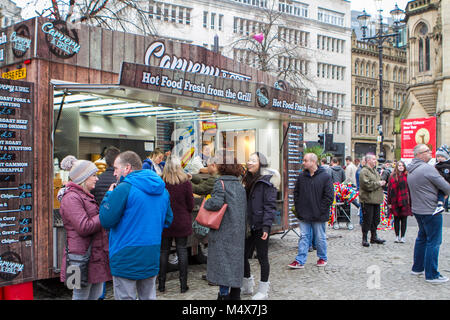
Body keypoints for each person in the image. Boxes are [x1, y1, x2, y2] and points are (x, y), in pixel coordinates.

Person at [99, 151, 173, 299]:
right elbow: (168, 220)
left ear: (127, 168)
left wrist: (108, 196)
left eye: (116, 168)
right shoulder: (162, 190)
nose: (114, 173)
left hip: (125, 254)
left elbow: (106, 220)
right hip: (151, 252)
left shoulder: (123, 188)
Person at [58, 156, 112, 300]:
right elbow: (84, 227)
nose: (97, 179)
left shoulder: (84, 196)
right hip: (79, 259)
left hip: (93, 257)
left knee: (96, 294)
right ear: (84, 177)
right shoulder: (71, 198)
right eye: (93, 175)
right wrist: (104, 214)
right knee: (80, 295)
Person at [203, 152, 246, 300]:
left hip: (223, 232)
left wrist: (206, 201)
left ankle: (223, 296)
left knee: (223, 266)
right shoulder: (239, 185)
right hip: (237, 232)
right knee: (234, 265)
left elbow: (215, 203)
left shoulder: (220, 183)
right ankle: (235, 295)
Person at [408, 144, 450, 284]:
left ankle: (417, 268)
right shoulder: (427, 169)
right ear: (419, 154)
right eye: (427, 151)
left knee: (422, 238)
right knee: (434, 241)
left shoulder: (412, 169)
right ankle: (432, 274)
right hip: (431, 209)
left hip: (418, 209)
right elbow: (446, 187)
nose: (430, 153)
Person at [241, 152, 280, 300]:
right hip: (249, 225)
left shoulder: (267, 181)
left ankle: (263, 290)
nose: (249, 162)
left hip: (260, 225)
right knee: (243, 255)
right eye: (249, 160)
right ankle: (248, 284)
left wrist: (266, 227)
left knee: (262, 257)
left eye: (253, 160)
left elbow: (270, 206)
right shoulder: (247, 180)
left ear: (260, 164)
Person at [288, 153, 334, 269]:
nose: (303, 162)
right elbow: (296, 194)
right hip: (304, 214)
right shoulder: (302, 177)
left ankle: (322, 257)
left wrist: (320, 210)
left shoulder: (325, 177)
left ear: (313, 162)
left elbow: (329, 197)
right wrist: (298, 208)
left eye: (305, 160)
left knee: (320, 237)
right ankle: (300, 260)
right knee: (304, 237)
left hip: (319, 215)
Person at [158, 156, 194, 294]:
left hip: (165, 222)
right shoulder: (185, 182)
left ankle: (161, 285)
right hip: (182, 221)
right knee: (182, 250)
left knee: (163, 252)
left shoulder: (161, 181)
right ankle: (183, 285)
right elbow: (191, 205)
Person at [359, 154, 386, 247]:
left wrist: (382, 182)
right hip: (367, 200)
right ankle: (364, 238)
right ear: (368, 160)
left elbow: (376, 182)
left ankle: (374, 237)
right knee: (367, 220)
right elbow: (367, 185)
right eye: (373, 159)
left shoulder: (375, 171)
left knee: (376, 220)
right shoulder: (364, 171)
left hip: (376, 200)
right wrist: (378, 183)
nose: (375, 161)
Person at [387, 160, 412, 243]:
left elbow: (410, 189)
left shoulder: (407, 176)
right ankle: (397, 236)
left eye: (402, 165)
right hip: (395, 200)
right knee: (396, 219)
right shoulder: (392, 176)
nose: (401, 167)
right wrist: (389, 202)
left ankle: (403, 236)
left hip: (404, 200)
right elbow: (389, 190)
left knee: (404, 219)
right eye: (399, 166)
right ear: (397, 167)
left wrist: (410, 201)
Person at [435, 144, 450, 214]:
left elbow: (446, 176)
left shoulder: (447, 166)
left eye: (441, 156)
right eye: (438, 156)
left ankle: (440, 205)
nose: (439, 158)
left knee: (441, 193)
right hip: (438, 184)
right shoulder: (436, 165)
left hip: (445, 183)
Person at [356, 157, 366, 225]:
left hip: (362, 190)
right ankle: (362, 221)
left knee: (363, 206)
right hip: (363, 191)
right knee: (363, 206)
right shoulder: (360, 171)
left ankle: (363, 220)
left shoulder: (361, 170)